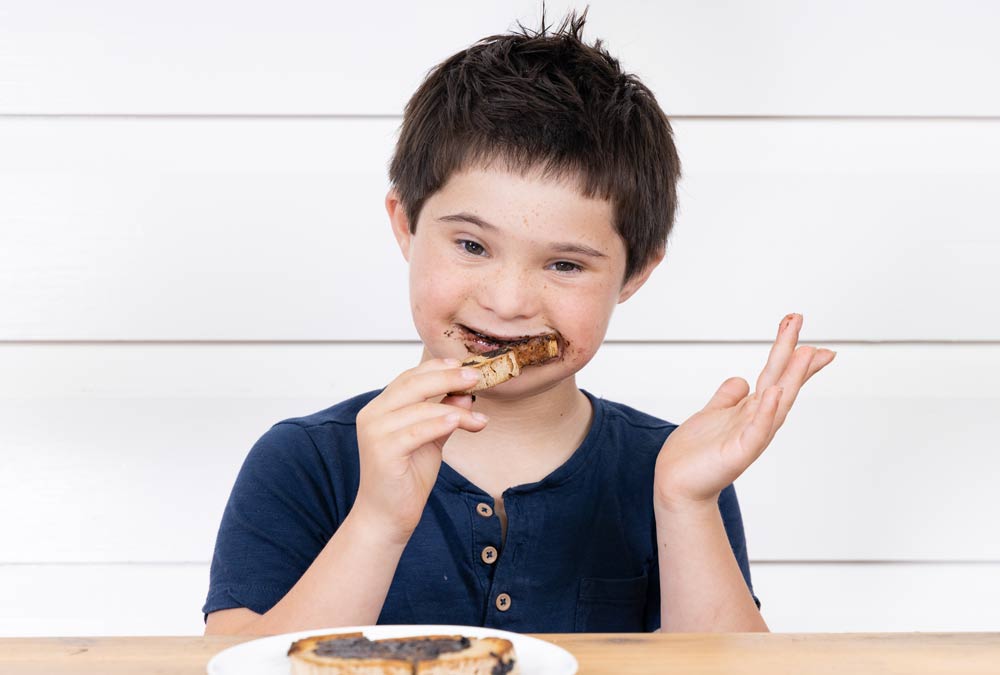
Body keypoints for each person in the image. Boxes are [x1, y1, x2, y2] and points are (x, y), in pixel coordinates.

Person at [202, 11, 835, 636]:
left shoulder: (674, 471)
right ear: (406, 224)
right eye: (472, 246)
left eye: (564, 264)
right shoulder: (305, 461)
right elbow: (232, 664)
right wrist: (376, 520)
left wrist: (687, 505)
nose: (508, 303)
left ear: (635, 273)